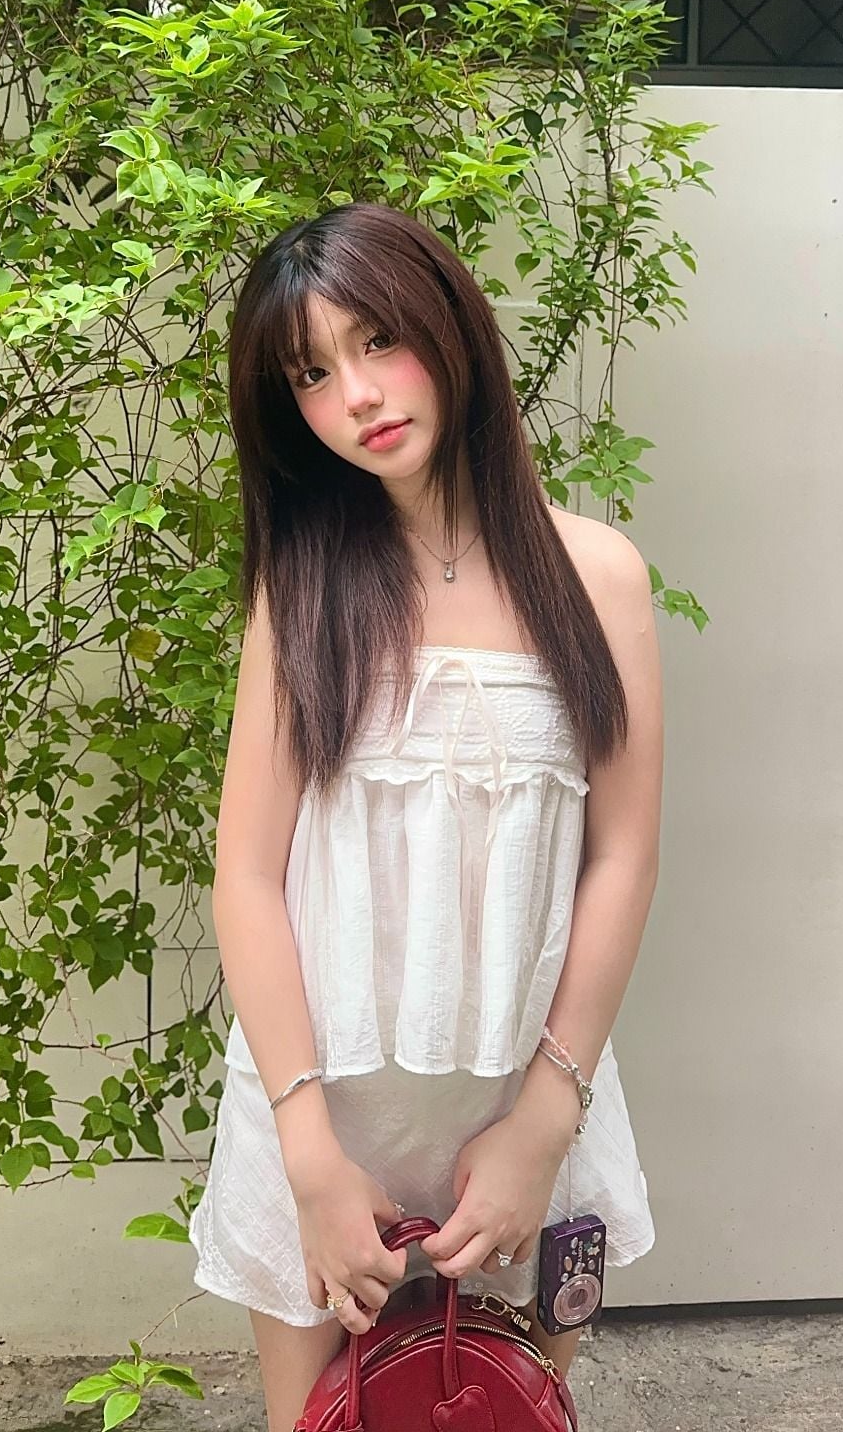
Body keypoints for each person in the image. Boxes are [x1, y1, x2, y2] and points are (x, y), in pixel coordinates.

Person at [186, 201, 663, 1431]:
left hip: (529, 1109)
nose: (355, 394)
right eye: (310, 372)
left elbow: (621, 856)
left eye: (377, 340)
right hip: (325, 1119)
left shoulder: (599, 577)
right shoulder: (302, 593)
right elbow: (246, 874)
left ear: (448, 328)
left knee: (499, 1412)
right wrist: (310, 1157)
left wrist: (542, 1125)